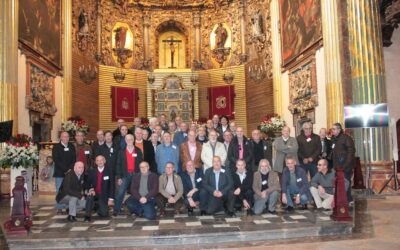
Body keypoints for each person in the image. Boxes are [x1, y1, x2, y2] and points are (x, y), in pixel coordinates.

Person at [113, 134, 143, 216]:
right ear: (125, 141)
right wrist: (119, 177)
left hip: (136, 175)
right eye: (127, 139)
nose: (129, 141)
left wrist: (141, 175)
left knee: (137, 192)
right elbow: (118, 164)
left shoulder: (138, 150)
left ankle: (137, 209)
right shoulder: (121, 151)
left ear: (133, 140)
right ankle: (116, 210)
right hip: (125, 175)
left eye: (131, 139)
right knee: (120, 192)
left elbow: (141, 164)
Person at [329, 123, 356, 203]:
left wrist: (346, 165)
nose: (332, 131)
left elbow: (351, 151)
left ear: (339, 129)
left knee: (346, 182)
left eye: (334, 129)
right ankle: (345, 199)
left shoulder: (346, 138)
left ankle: (347, 200)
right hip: (336, 165)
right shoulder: (333, 139)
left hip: (345, 165)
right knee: (339, 183)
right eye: (332, 129)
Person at [84, 155, 114, 221]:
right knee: (90, 196)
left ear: (104, 161)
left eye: (101, 160)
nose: (100, 162)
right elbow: (87, 184)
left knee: (104, 214)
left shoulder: (109, 171)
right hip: (95, 194)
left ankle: (97, 206)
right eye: (98, 160)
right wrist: (91, 189)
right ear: (95, 162)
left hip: (104, 196)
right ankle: (87, 216)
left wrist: (111, 199)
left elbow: (112, 186)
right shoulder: (92, 172)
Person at [52, 131, 76, 214]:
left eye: (67, 137)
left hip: (70, 172)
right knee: (59, 190)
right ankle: (59, 207)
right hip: (60, 172)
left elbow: (74, 159)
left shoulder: (71, 146)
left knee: (69, 190)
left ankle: (68, 207)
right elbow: (56, 160)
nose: (66, 138)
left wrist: (70, 169)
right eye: (64, 136)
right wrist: (65, 169)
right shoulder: (56, 147)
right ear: (61, 138)